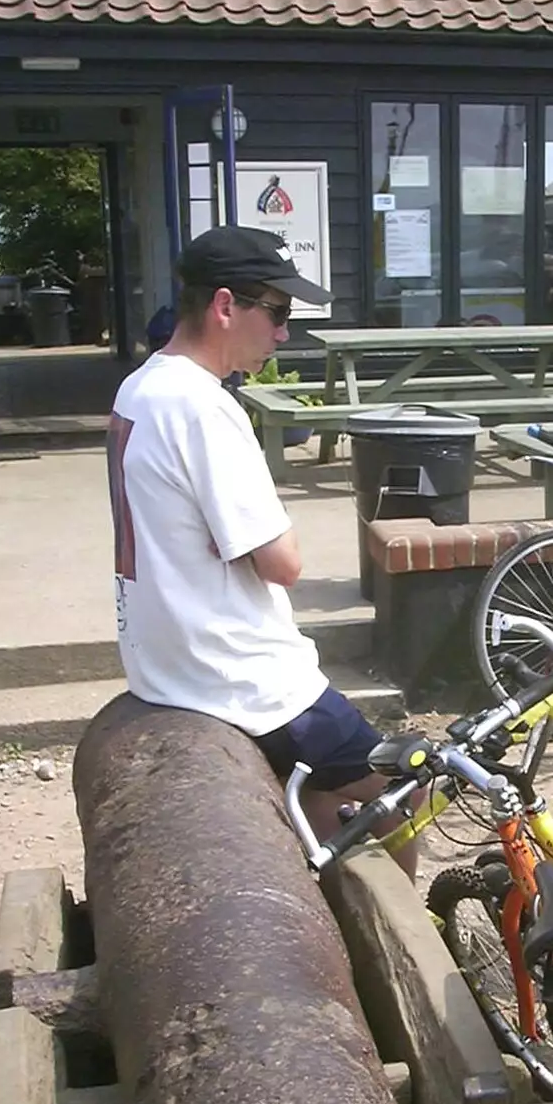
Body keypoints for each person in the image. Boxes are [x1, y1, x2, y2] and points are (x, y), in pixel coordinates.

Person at [106, 224, 417, 876]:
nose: (283, 333)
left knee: (333, 801)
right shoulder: (203, 408)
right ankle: (400, 935)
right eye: (275, 312)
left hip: (166, 660)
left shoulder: (140, 387)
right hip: (242, 677)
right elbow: (283, 562)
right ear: (224, 306)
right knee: (413, 791)